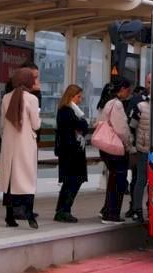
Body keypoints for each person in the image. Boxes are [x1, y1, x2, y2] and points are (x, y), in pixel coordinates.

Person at [0, 67, 42, 229]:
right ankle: (30, 215)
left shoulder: (6, 98)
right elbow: (36, 125)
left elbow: (3, 123)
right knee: (27, 178)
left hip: (9, 144)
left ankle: (9, 216)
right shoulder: (32, 99)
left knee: (10, 178)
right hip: (25, 144)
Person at [96, 75, 134, 224]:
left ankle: (107, 210)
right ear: (123, 89)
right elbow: (121, 129)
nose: (128, 93)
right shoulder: (116, 104)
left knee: (113, 179)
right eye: (128, 90)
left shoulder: (106, 102)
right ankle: (112, 214)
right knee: (118, 180)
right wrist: (129, 145)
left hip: (106, 148)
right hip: (116, 148)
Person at [54, 84, 89, 223]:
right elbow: (82, 125)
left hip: (74, 151)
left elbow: (83, 127)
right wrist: (81, 124)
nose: (80, 100)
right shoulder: (66, 111)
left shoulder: (73, 110)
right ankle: (63, 210)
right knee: (71, 181)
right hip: (70, 152)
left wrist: (82, 125)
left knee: (73, 181)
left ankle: (63, 209)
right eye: (78, 96)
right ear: (71, 96)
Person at [126, 73, 152, 222]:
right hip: (143, 148)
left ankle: (151, 207)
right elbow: (131, 126)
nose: (150, 85)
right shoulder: (138, 102)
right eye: (148, 82)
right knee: (141, 179)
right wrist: (134, 145)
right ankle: (136, 209)